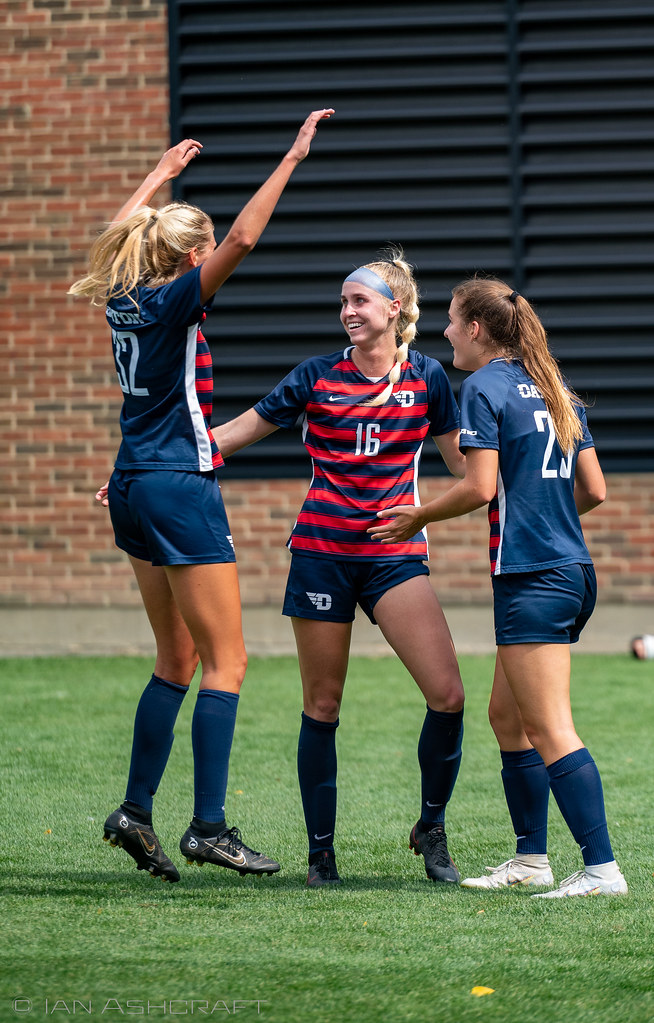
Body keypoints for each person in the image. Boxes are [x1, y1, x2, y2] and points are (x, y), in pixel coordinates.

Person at [69, 108, 334, 882]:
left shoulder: (123, 292)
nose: (215, 252)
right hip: (178, 484)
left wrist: (157, 177)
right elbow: (246, 239)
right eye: (204, 246)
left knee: (175, 656)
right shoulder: (174, 297)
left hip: (131, 482)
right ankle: (210, 826)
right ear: (189, 254)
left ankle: (135, 811)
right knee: (228, 660)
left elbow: (122, 236)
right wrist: (291, 157)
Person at [213, 249, 467, 887]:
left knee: (448, 695)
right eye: (344, 301)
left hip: (394, 556)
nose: (348, 311)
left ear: (395, 307)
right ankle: (320, 852)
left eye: (361, 300)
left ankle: (430, 825)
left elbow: (467, 469)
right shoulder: (316, 375)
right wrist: (148, 458)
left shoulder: (429, 377)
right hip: (322, 556)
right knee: (322, 706)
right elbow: (232, 434)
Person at [370, 276, 628, 898]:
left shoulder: (483, 386)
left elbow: (480, 486)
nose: (447, 333)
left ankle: (602, 870)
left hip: (534, 578)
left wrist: (418, 515)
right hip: (570, 571)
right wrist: (547, 519)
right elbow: (593, 491)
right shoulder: (552, 384)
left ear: (478, 330)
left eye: (454, 322)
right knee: (506, 719)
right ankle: (531, 860)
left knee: (550, 728)